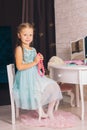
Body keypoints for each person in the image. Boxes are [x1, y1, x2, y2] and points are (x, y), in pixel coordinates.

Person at [13, 22, 63, 120]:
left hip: (35, 75)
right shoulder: (19, 49)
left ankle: (49, 111)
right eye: (25, 34)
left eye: (30, 35)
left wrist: (39, 61)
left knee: (53, 85)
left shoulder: (33, 49)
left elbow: (38, 67)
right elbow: (19, 67)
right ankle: (39, 109)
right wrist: (34, 62)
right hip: (25, 77)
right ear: (19, 35)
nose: (28, 37)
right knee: (36, 90)